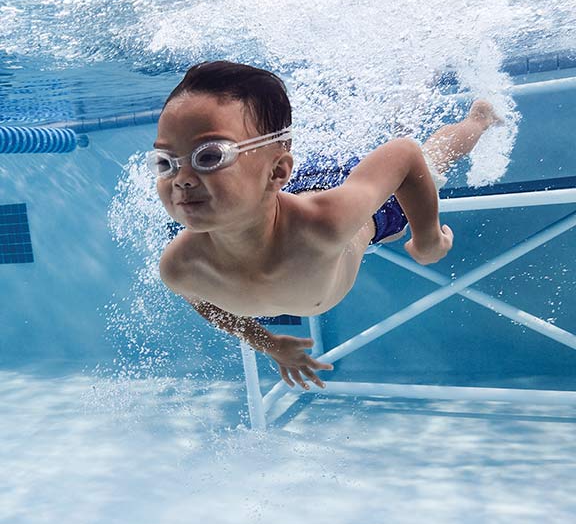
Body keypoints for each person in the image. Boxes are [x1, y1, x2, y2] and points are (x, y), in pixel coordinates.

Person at [150, 61, 501, 390]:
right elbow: (206, 306)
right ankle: (403, 106)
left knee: (431, 160)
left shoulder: (325, 225)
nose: (180, 179)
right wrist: (269, 344)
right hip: (285, 189)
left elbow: (405, 154)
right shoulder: (180, 268)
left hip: (334, 200)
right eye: (165, 162)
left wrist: (427, 239)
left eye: (209, 157)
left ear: (276, 172)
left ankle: (479, 119)